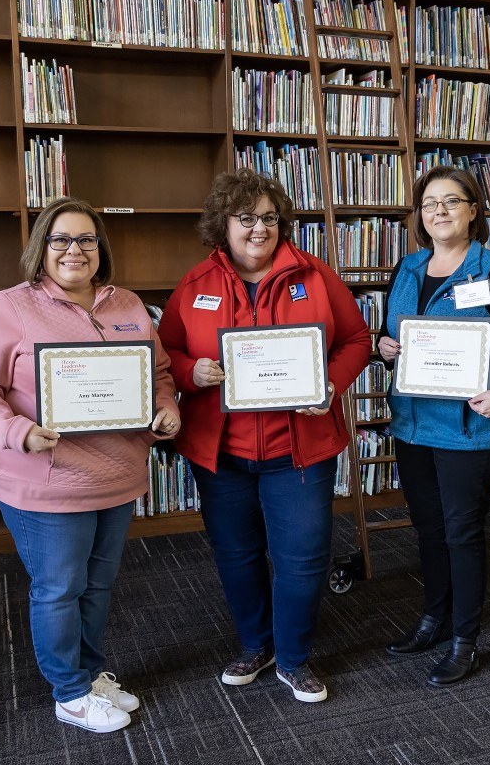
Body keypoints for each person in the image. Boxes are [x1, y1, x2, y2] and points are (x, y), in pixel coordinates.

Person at [0, 196, 181, 733]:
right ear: (41, 248)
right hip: (45, 479)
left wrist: (165, 407)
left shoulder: (128, 305)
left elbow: (162, 372)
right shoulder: (9, 307)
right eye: (61, 240)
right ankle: (70, 691)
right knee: (59, 587)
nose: (74, 250)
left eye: (86, 240)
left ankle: (91, 672)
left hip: (117, 474)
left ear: (100, 249)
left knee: (98, 586)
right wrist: (18, 431)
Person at [157, 168, 370, 703]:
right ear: (222, 225)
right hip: (220, 451)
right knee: (236, 553)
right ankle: (257, 644)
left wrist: (330, 384)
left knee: (303, 557)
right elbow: (166, 355)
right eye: (246, 218)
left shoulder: (315, 276)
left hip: (300, 447)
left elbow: (357, 338)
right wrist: (191, 373)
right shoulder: (196, 284)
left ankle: (294, 657)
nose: (259, 229)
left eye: (269, 218)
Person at [377, 165, 490, 687]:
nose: (439, 211)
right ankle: (433, 619)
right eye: (429, 204)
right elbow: (389, 332)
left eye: (450, 201)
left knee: (462, 533)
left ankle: (466, 638)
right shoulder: (408, 267)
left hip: (469, 427)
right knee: (428, 530)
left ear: (472, 210)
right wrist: (385, 347)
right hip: (413, 423)